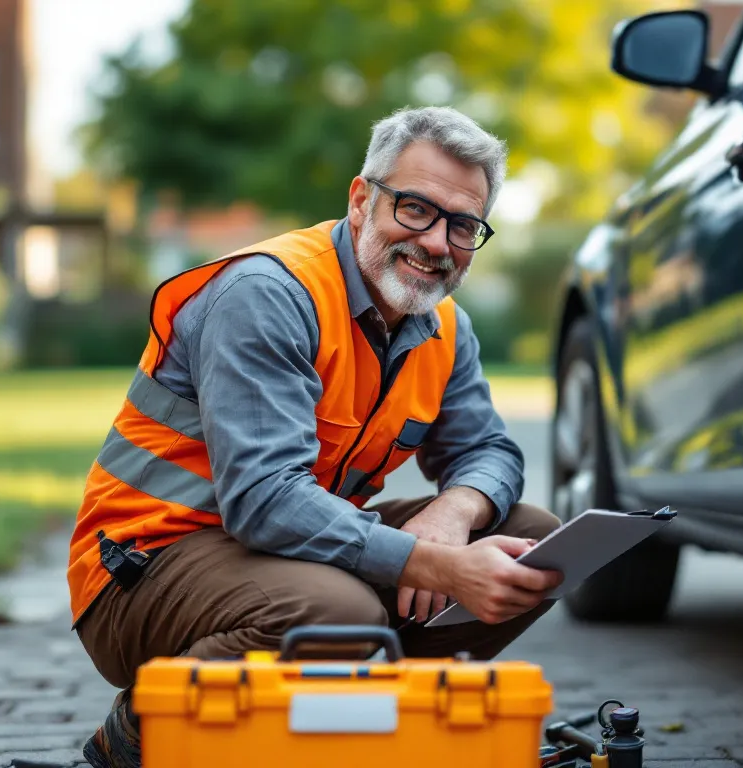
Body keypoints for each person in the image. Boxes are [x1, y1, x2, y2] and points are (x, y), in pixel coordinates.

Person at [68, 106, 565, 768]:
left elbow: (491, 452)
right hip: (142, 569)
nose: (439, 243)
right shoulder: (267, 294)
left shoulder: (446, 329)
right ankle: (140, 734)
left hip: (274, 558)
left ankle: (371, 731)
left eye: (464, 225)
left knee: (531, 541)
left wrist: (454, 512)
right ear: (362, 201)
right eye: (415, 209)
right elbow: (266, 500)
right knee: (341, 611)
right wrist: (439, 566)